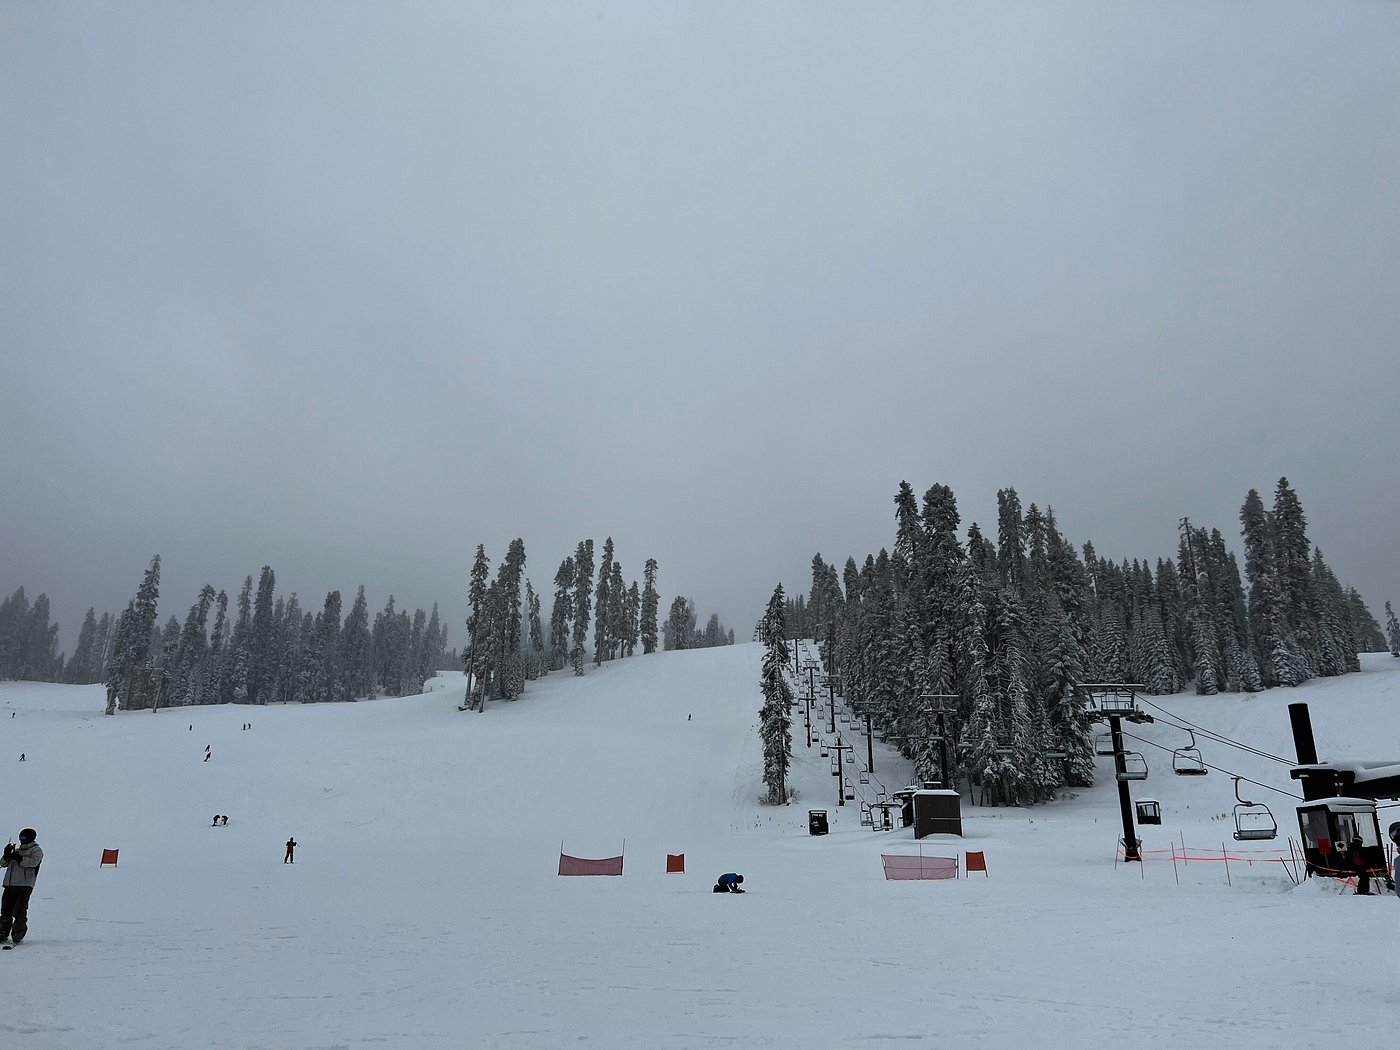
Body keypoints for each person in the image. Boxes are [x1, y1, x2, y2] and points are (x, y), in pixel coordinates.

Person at [1, 829, 43, 946]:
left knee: (19, 910)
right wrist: (6, 855)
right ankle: (2, 932)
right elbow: (3, 864)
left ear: (31, 838)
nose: (21, 840)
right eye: (21, 837)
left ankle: (18, 933)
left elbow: (32, 863)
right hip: (10, 884)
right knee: (5, 910)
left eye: (24, 838)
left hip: (24, 885)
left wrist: (19, 858)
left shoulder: (36, 851)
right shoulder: (17, 850)